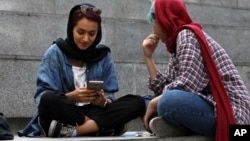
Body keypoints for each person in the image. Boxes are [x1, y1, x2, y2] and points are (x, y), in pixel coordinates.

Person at [18, 3, 145, 137]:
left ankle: (73, 131)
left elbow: (110, 96)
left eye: (92, 34)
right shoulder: (55, 53)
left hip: (93, 111)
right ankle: (103, 126)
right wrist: (72, 96)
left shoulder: (103, 55)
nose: (86, 39)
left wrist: (103, 102)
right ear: (71, 28)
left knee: (137, 102)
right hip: (65, 113)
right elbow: (41, 97)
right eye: (80, 32)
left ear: (98, 32)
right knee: (48, 99)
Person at [142, 0, 250, 141]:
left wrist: (154, 104)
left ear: (164, 20)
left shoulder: (186, 35)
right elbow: (165, 87)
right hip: (207, 105)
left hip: (230, 111)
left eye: (153, 21)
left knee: (168, 101)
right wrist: (148, 57)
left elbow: (188, 85)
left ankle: (177, 126)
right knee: (145, 101)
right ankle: (178, 125)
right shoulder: (177, 44)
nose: (153, 28)